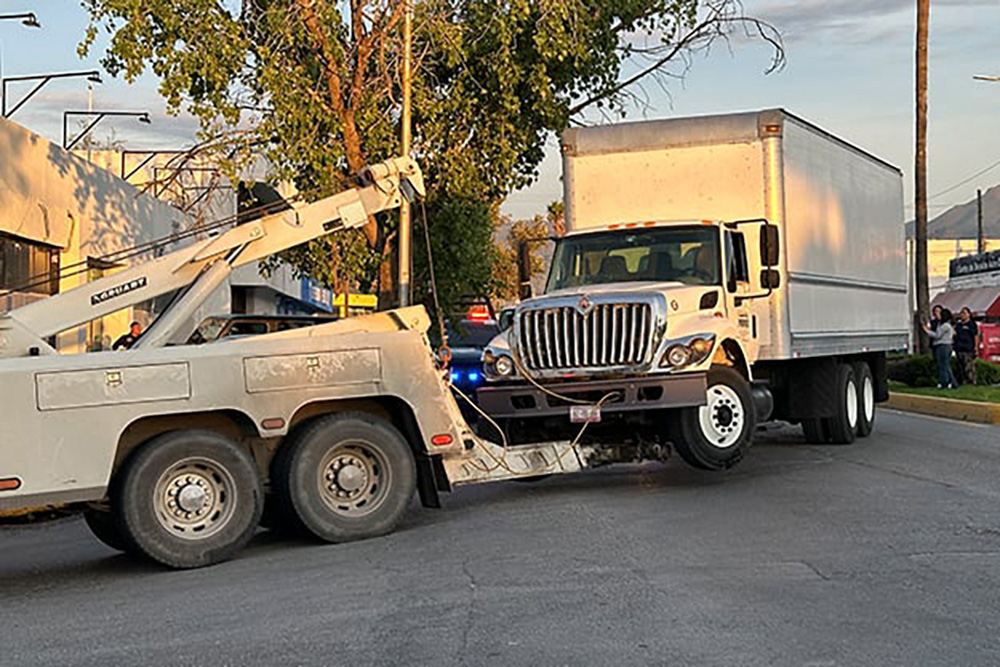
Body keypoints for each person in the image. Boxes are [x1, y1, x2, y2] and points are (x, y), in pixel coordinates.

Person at [923, 308, 957, 389]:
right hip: (943, 346)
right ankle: (951, 382)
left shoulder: (945, 326)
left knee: (943, 365)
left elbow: (937, 335)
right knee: (944, 365)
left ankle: (944, 382)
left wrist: (927, 331)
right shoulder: (941, 325)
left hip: (943, 346)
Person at [953, 307, 979, 386]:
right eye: (961, 313)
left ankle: (971, 381)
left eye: (964, 313)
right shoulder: (959, 325)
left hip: (968, 348)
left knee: (969, 366)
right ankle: (963, 381)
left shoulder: (971, 324)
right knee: (961, 367)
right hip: (959, 348)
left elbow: (975, 336)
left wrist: (976, 347)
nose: (962, 315)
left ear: (969, 314)